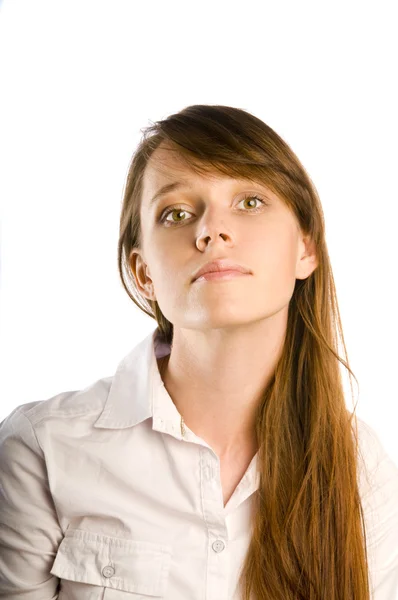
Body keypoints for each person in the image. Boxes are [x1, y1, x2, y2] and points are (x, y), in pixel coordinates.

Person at [1, 104, 397, 599]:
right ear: (143, 272)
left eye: (250, 202)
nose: (212, 232)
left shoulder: (362, 467)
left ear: (306, 248)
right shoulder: (41, 451)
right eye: (178, 213)